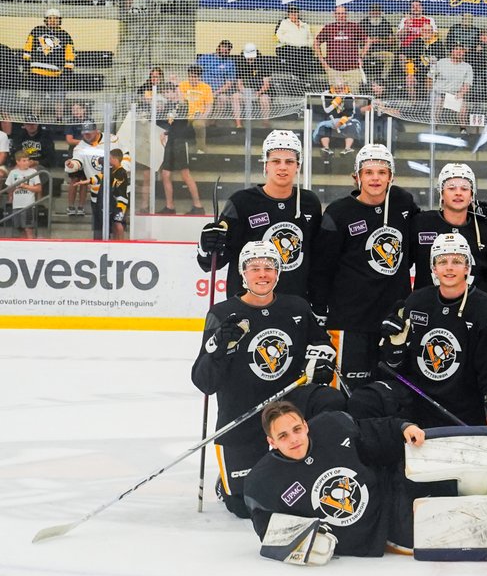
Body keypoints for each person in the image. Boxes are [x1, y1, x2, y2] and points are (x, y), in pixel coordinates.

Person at [191, 241, 346, 517]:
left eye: (269, 267)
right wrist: (219, 349)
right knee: (243, 507)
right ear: (243, 273)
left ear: (278, 272)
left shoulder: (296, 307)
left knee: (332, 400)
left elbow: (322, 345)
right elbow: (205, 382)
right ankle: (227, 484)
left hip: (288, 409)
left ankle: (318, 464)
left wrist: (321, 361)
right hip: (243, 413)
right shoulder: (222, 314)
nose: (262, 274)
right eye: (254, 268)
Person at [358, 230, 487, 432]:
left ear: (467, 267)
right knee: (363, 400)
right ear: (433, 268)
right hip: (419, 403)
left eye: (457, 261)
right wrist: (394, 347)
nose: (449, 267)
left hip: (464, 411)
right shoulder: (416, 302)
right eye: (442, 261)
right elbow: (394, 367)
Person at [244, 401, 421, 559]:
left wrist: (404, 427)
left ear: (305, 426)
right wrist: (310, 540)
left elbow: (375, 431)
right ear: (272, 442)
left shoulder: (332, 426)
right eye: (283, 436)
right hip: (369, 538)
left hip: (390, 499)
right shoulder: (262, 482)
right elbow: (270, 532)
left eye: (297, 429)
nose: (294, 439)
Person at [308, 144, 419, 387]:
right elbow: (322, 267)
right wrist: (319, 309)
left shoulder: (402, 202)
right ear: (356, 176)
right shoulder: (339, 213)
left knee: (389, 392)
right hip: (349, 322)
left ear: (391, 177)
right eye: (368, 172)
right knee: (346, 392)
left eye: (382, 172)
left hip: (392, 320)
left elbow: (415, 244)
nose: (375, 178)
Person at [197, 129, 323, 300]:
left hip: (294, 305)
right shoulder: (241, 202)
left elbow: (317, 259)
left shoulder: (310, 203)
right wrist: (206, 246)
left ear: (298, 166)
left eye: (289, 161)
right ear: (266, 165)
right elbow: (212, 263)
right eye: (276, 161)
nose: (283, 167)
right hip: (248, 305)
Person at [412, 164, 487, 292]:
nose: (458, 193)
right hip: (428, 303)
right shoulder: (421, 224)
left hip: (474, 304)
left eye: (464, 188)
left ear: (472, 194)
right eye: (451, 188)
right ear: (441, 192)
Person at [22, 8, 74, 121]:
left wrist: (68, 70)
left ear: (59, 20)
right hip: (36, 72)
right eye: (50, 18)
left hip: (55, 74)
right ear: (46, 20)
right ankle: (35, 119)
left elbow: (69, 54)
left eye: (55, 18)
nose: (52, 21)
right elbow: (27, 48)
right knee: (36, 98)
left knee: (59, 98)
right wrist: (26, 65)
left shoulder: (65, 35)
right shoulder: (36, 30)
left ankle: (59, 120)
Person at [156, 96, 205, 215]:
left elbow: (180, 125)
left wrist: (179, 99)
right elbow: (168, 124)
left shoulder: (183, 105)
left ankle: (198, 206)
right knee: (165, 174)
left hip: (180, 143)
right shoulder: (168, 106)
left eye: (172, 91)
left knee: (185, 174)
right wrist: (165, 132)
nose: (169, 93)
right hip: (170, 142)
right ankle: (170, 207)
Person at [314, 5, 369, 89]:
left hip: (352, 70)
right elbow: (316, 42)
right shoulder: (329, 28)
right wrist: (322, 61)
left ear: (346, 14)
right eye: (338, 13)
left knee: (353, 94)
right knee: (336, 95)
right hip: (334, 70)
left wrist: (361, 57)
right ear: (334, 15)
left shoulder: (354, 27)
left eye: (343, 13)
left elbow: (368, 41)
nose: (341, 16)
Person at [313, 79, 363, 154]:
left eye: (341, 88)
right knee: (324, 126)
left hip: (344, 120)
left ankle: (347, 149)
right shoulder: (326, 94)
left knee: (352, 125)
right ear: (333, 87)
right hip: (329, 119)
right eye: (337, 88)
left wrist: (340, 122)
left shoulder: (349, 95)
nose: (340, 90)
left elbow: (350, 114)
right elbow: (327, 110)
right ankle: (326, 149)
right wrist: (338, 99)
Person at [232, 43, 274, 130]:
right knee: (235, 96)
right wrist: (244, 92)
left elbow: (266, 85)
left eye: (252, 57)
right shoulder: (240, 65)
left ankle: (265, 124)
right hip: (247, 91)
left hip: (262, 92)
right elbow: (239, 84)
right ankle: (239, 125)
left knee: (264, 99)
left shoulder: (264, 64)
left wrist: (258, 93)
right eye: (248, 57)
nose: (250, 59)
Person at [196, 39, 237, 122]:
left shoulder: (230, 63)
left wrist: (216, 93)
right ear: (218, 47)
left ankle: (213, 122)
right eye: (224, 47)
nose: (226, 50)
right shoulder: (206, 57)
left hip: (219, 91)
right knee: (204, 101)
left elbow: (229, 83)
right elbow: (195, 73)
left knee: (223, 98)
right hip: (203, 89)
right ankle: (201, 122)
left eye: (228, 49)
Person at [4, 151, 42, 238]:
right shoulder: (13, 172)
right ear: (18, 161)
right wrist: (14, 187)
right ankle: (23, 245)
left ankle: (31, 244)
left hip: (28, 205)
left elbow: (38, 188)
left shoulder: (33, 171)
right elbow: (8, 189)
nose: (27, 162)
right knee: (20, 229)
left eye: (27, 160)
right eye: (24, 161)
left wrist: (25, 186)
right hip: (16, 205)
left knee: (28, 229)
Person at [275, 5, 319, 77]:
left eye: (295, 12)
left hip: (302, 48)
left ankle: (301, 77)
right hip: (288, 47)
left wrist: (308, 44)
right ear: (288, 14)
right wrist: (288, 41)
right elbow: (278, 35)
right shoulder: (284, 23)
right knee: (295, 53)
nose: (293, 14)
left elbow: (310, 37)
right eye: (291, 13)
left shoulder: (305, 25)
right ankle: (295, 76)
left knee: (305, 54)